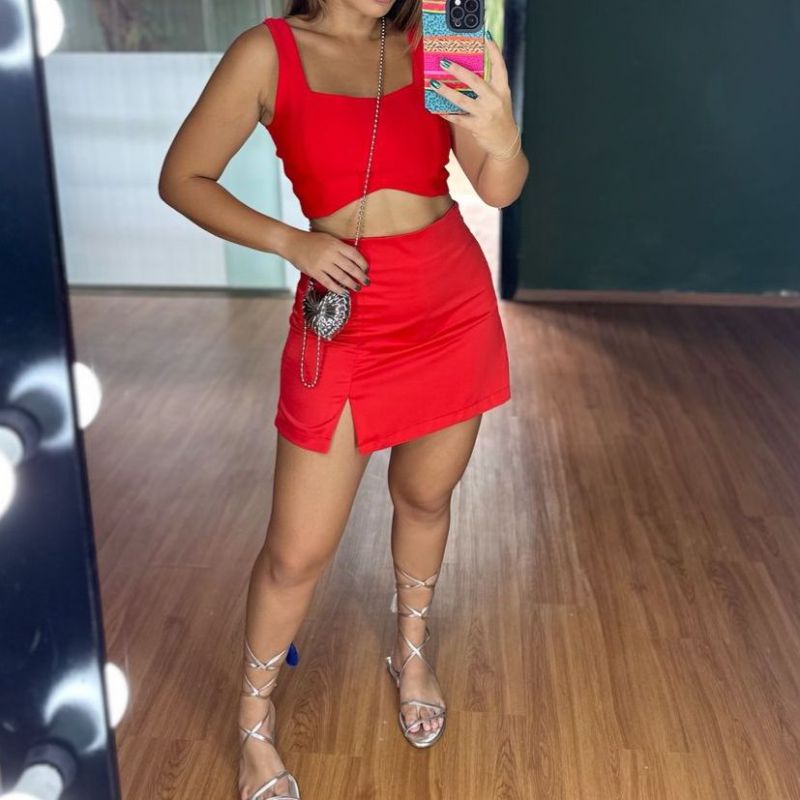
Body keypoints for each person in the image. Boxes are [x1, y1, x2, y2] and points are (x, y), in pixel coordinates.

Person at [158, 0, 528, 795]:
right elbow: (182, 178)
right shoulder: (267, 54)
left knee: (425, 497)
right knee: (295, 553)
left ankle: (411, 651)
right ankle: (253, 721)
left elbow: (499, 190)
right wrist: (292, 241)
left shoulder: (436, 38)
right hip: (347, 312)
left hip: (451, 303)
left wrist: (502, 136)